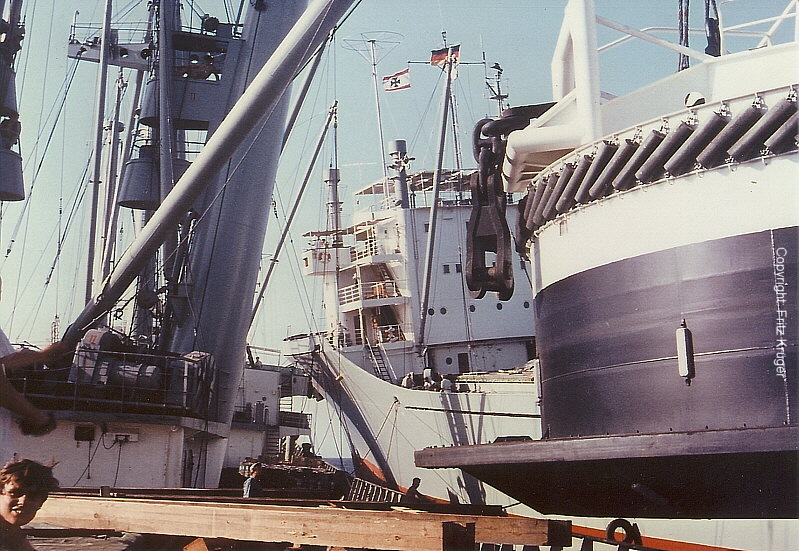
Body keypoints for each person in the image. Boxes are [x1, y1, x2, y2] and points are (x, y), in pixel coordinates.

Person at [0, 459, 60, 551]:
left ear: (40, 503)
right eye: (15, 493)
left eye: (33, 496)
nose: (23, 501)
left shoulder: (14, 537)